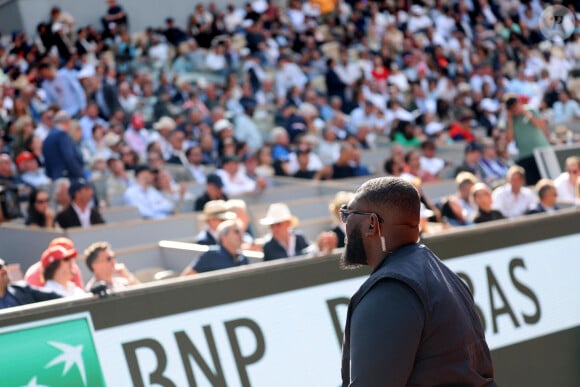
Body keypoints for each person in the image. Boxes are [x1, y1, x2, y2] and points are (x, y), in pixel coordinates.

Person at [339, 177, 496, 386]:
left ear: (371, 224)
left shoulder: (389, 293)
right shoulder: (445, 276)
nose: (345, 224)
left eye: (348, 214)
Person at [504, 93, 550, 185]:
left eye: (515, 106)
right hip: (525, 155)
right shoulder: (510, 120)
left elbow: (541, 125)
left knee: (547, 180)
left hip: (541, 151)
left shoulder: (531, 110)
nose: (515, 110)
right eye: (512, 108)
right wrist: (510, 121)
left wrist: (526, 113)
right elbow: (509, 139)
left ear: (519, 103)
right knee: (532, 183)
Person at [182, 219, 249, 275]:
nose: (241, 235)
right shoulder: (211, 255)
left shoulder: (243, 258)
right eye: (236, 232)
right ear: (224, 237)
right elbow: (185, 278)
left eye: (242, 232)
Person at [42, 110, 85, 181]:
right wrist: (80, 174)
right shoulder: (62, 135)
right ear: (68, 122)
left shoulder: (48, 137)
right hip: (68, 177)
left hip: (55, 177)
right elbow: (69, 157)